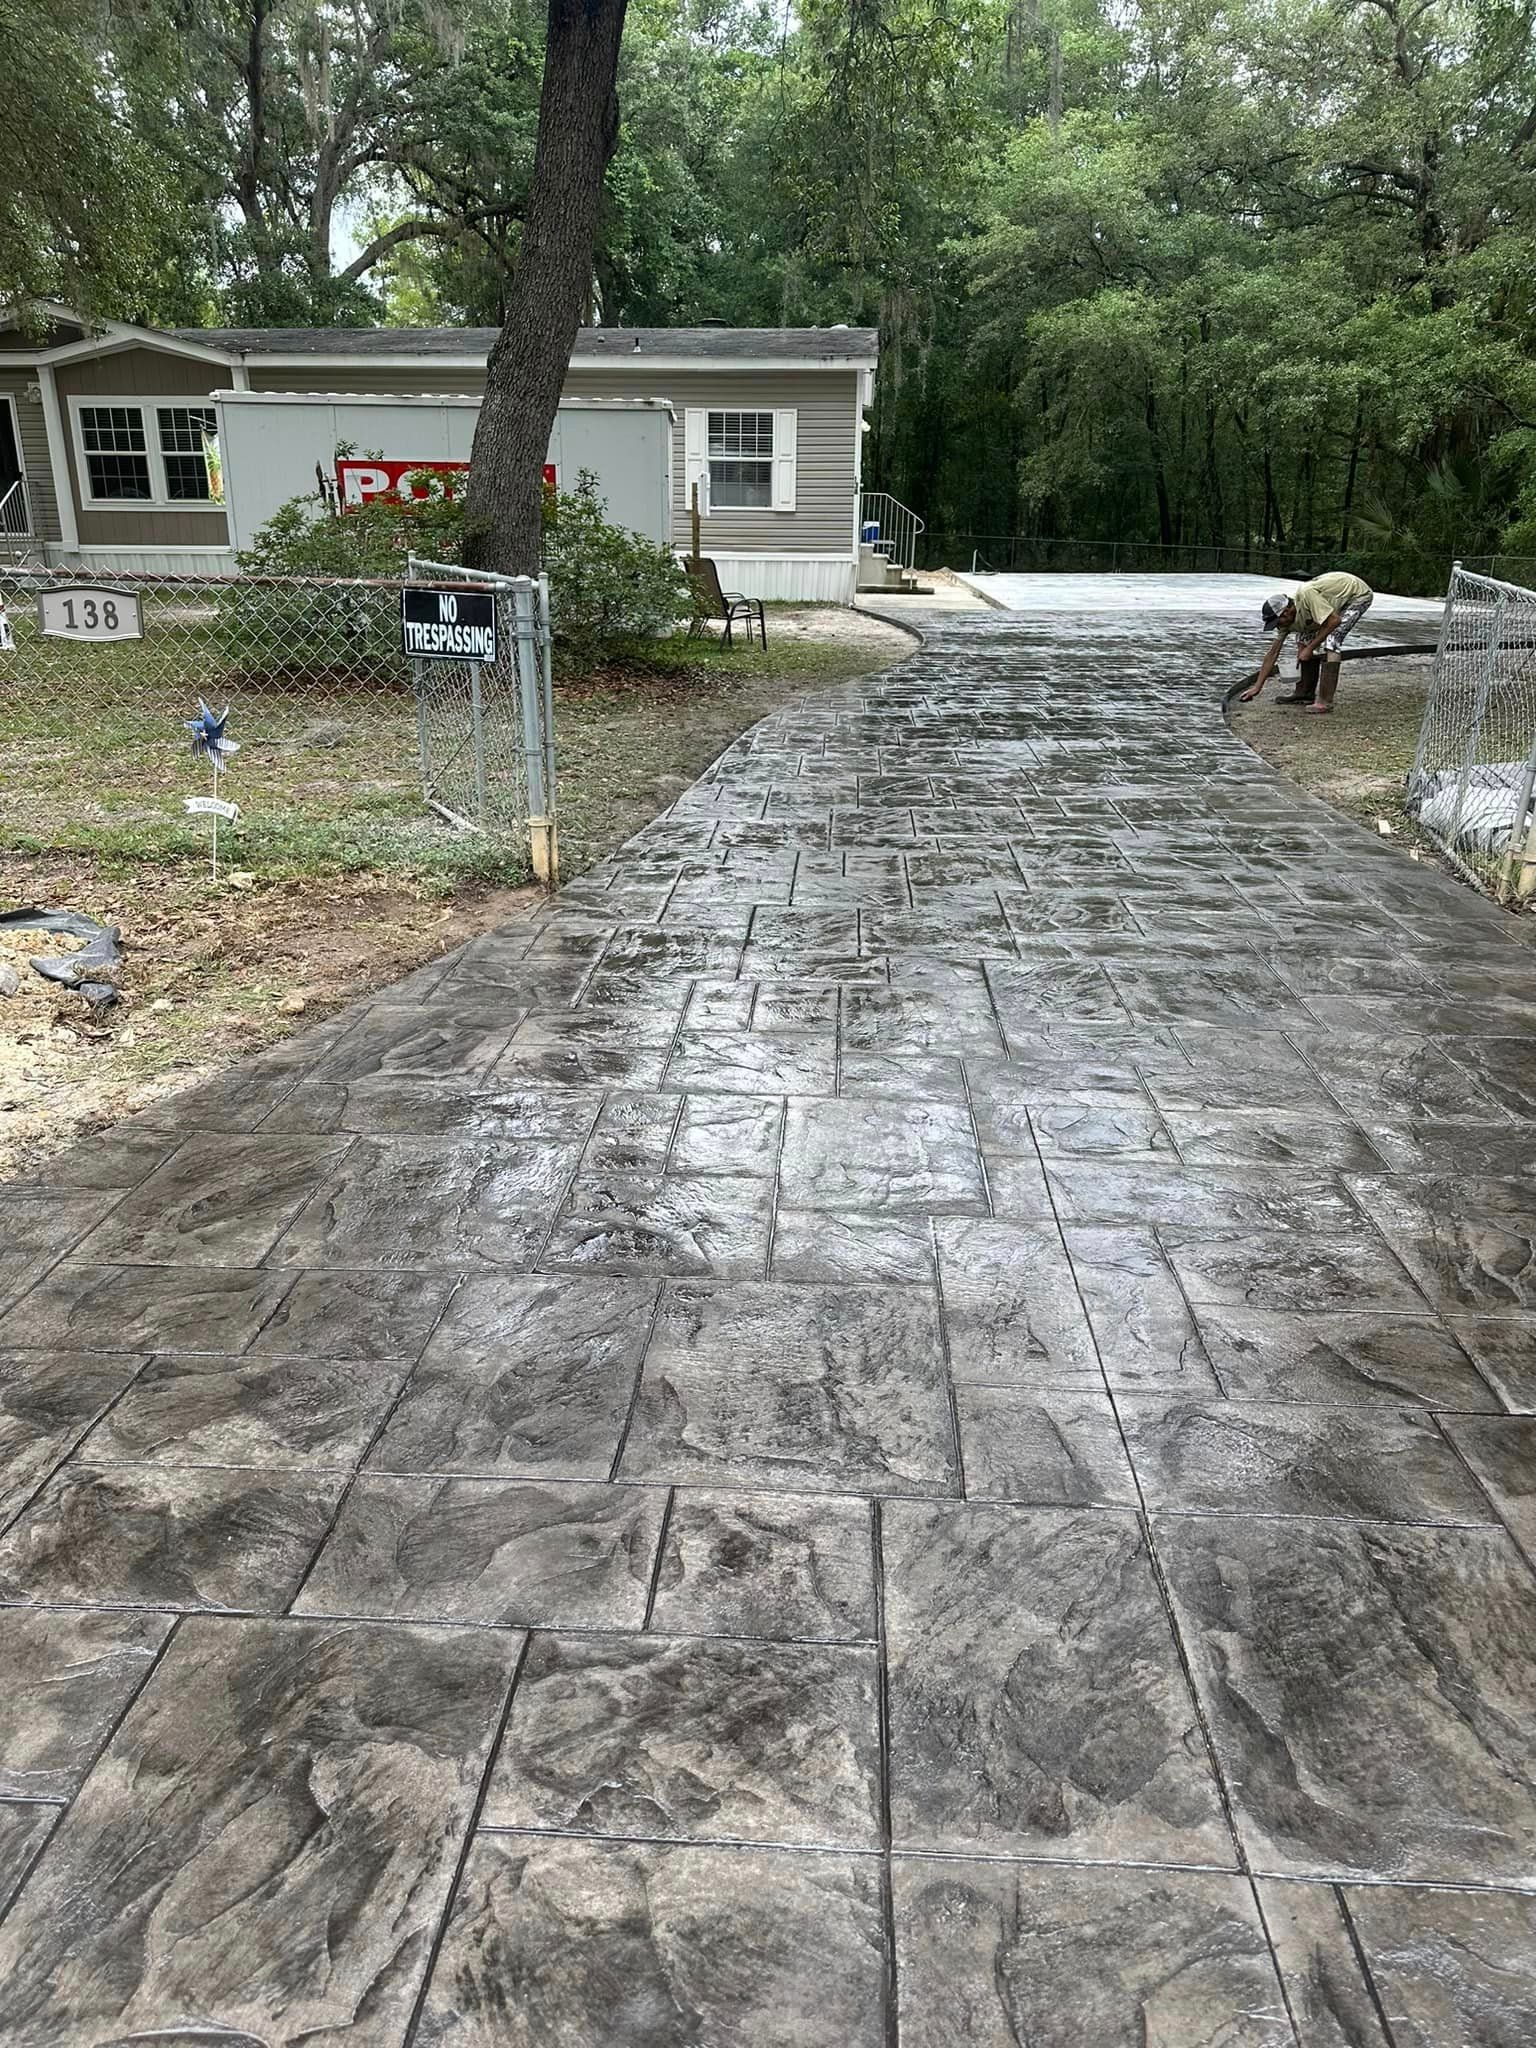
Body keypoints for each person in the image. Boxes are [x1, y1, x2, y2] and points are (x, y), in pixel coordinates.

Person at [1239, 571, 1374, 712]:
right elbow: (1273, 653)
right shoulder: (1285, 622)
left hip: (1356, 594)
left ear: (1286, 611)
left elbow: (1334, 621)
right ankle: (1304, 692)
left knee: (1332, 640)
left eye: (1278, 622)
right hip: (1333, 601)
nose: (1278, 626)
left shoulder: (1307, 595)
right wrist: (1257, 686)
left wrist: (1310, 648)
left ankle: (1325, 702)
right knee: (1302, 639)